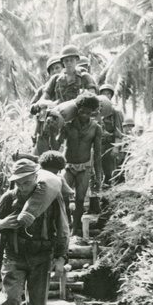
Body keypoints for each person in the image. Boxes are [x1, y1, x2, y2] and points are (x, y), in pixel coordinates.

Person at [0, 158, 70, 305]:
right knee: (8, 302)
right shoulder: (8, 198)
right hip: (14, 256)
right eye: (19, 183)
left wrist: (61, 257)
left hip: (41, 257)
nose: (23, 187)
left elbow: (63, 228)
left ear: (37, 178)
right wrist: (1, 224)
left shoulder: (51, 199)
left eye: (27, 182)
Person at [58, 91, 103, 235]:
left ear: (92, 113)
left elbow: (97, 153)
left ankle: (75, 229)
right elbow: (57, 143)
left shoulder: (96, 128)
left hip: (84, 167)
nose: (84, 116)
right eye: (81, 112)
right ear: (77, 110)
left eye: (87, 113)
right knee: (62, 195)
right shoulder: (68, 125)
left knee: (80, 199)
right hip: (68, 165)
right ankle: (67, 222)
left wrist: (98, 174)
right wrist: (54, 130)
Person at [97, 83, 124, 185]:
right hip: (98, 143)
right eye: (104, 93)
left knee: (109, 169)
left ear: (111, 95)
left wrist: (116, 147)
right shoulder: (96, 111)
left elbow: (118, 131)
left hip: (109, 144)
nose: (106, 95)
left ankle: (108, 188)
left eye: (108, 94)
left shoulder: (115, 111)